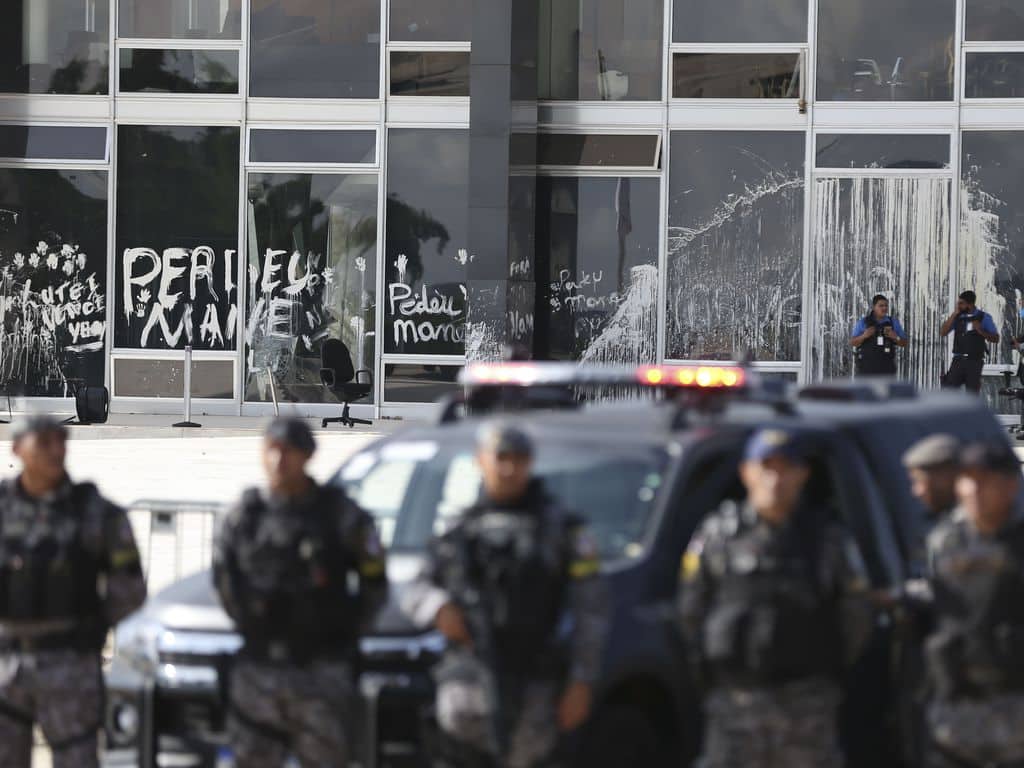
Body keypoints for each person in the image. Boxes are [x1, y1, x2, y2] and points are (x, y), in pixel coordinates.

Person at [401, 422, 607, 768]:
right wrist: (438, 608)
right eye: (501, 457)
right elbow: (414, 587)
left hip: (536, 684)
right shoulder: (458, 530)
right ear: (481, 461)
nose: (509, 469)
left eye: (519, 459)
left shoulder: (561, 530)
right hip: (468, 687)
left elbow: (592, 610)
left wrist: (582, 681)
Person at [678, 428, 874, 768]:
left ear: (803, 474)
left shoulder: (826, 539)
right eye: (765, 466)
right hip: (735, 702)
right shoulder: (718, 536)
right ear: (746, 472)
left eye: (785, 468)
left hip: (806, 705)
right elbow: (691, 610)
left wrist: (824, 674)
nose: (775, 478)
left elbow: (856, 615)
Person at [213, 417, 388, 768]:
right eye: (272, 451)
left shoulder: (341, 515)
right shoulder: (243, 518)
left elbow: (375, 585)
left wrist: (342, 631)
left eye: (288, 452)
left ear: (308, 455)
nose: (280, 461)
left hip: (321, 671)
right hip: (259, 671)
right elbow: (226, 585)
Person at [0, 416, 146, 768]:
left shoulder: (96, 513)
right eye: (44, 443)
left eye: (61, 441)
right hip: (5, 665)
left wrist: (90, 631)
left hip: (70, 665)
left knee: (78, 759)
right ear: (18, 448)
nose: (56, 450)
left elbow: (129, 591)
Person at [921, 441, 1024, 767]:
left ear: (1010, 485)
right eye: (967, 479)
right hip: (955, 710)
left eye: (985, 480)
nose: (974, 490)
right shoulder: (943, 540)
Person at [902, 434, 961, 577]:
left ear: (946, 478)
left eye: (920, 481)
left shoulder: (978, 527)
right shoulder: (936, 522)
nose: (917, 492)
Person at [941, 291, 999, 393]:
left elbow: (996, 338)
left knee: (972, 393)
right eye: (958, 303)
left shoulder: (983, 317)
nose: (958, 306)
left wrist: (981, 331)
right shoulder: (958, 317)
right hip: (958, 360)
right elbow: (943, 332)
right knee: (948, 391)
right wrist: (954, 315)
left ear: (970, 304)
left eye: (961, 303)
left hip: (974, 361)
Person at [851, 294, 909, 376]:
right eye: (881, 305)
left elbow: (904, 343)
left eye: (886, 305)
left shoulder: (893, 322)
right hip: (866, 369)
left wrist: (896, 337)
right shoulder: (863, 322)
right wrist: (864, 336)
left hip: (887, 369)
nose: (884, 308)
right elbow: (853, 342)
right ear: (874, 307)